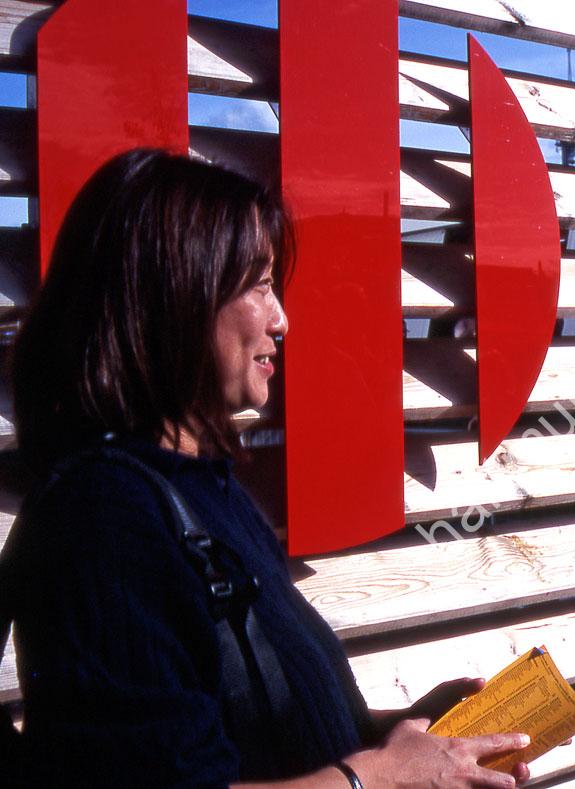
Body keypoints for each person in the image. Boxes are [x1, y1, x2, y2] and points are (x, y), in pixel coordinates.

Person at [0, 149, 531, 787]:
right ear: (174, 297)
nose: (283, 318)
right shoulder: (105, 518)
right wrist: (378, 779)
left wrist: (407, 742)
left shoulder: (200, 491)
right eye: (258, 284)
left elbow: (236, 724)